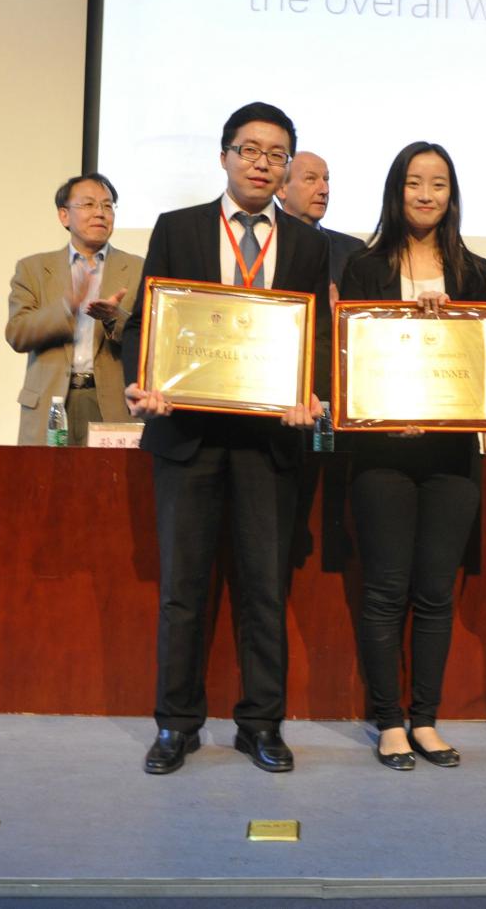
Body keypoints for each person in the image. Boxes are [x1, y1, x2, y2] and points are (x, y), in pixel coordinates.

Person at [121, 103, 331, 775]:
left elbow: (317, 338)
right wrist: (143, 383)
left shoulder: (307, 244)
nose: (262, 164)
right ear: (224, 157)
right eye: (250, 150)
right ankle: (175, 725)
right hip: (188, 438)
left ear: (286, 167)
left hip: (270, 445)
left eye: (276, 154)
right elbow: (144, 323)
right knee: (183, 590)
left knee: (264, 590)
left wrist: (311, 395)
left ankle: (261, 724)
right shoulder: (178, 228)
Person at [339, 142, 486, 771]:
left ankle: (425, 719)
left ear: (452, 195)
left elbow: (484, 358)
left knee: (434, 592)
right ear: (395, 190)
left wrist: (454, 323)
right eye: (414, 182)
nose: (426, 194)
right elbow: (349, 354)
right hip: (381, 452)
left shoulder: (475, 271)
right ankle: (388, 722)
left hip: (452, 454)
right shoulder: (364, 266)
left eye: (438, 184)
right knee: (384, 589)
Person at [5, 174, 141, 446]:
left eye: (107, 205)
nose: (100, 213)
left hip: (112, 405)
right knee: (46, 476)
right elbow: (17, 334)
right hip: (50, 404)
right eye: (88, 204)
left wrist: (115, 318)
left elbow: (150, 341)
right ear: (64, 215)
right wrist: (66, 307)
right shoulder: (34, 269)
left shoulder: (137, 269)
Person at [276, 150, 363, 304]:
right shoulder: (264, 245)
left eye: (326, 179)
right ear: (281, 189)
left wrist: (339, 313)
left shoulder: (353, 252)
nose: (324, 190)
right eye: (310, 179)